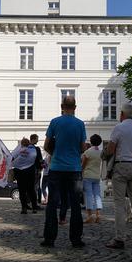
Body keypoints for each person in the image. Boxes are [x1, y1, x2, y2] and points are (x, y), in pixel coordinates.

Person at [41, 96, 87, 248]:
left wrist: (55, 154)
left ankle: (49, 239)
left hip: (56, 168)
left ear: (62, 106)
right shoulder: (80, 124)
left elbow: (46, 145)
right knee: (75, 205)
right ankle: (76, 239)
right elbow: (82, 148)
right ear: (75, 107)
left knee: (52, 204)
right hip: (74, 169)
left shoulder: (55, 122)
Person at [104, 103, 132, 249]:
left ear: (122, 114)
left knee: (119, 204)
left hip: (121, 165)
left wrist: (106, 153)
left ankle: (119, 238)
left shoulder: (119, 127)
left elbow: (110, 149)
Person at [12, 137, 40, 214]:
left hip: (20, 173)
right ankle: (34, 207)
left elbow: (12, 158)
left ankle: (24, 208)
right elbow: (36, 161)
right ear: (29, 143)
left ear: (21, 144)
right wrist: (38, 170)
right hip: (30, 173)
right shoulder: (33, 150)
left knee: (22, 191)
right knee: (31, 190)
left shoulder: (19, 150)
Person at [82, 134, 104, 224]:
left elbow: (83, 164)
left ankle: (90, 216)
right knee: (97, 195)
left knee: (88, 195)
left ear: (91, 142)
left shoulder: (88, 152)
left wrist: (80, 171)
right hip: (97, 176)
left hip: (87, 175)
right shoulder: (101, 152)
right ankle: (98, 215)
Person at [30, 134, 44, 206]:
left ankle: (28, 202)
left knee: (29, 186)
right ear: (34, 139)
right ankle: (35, 203)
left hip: (28, 170)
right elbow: (40, 160)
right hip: (36, 170)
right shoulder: (37, 149)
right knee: (36, 187)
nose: (37, 140)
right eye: (37, 139)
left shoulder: (26, 148)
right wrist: (42, 167)